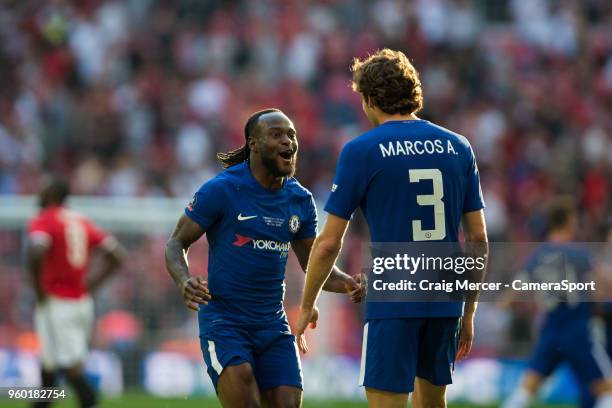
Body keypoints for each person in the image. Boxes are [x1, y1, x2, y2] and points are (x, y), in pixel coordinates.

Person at [294, 49, 488, 408]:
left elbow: (327, 243)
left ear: (369, 100)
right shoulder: (459, 147)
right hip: (445, 297)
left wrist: (307, 304)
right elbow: (477, 239)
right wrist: (470, 310)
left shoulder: (361, 150)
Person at [164, 108, 361, 408]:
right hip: (225, 321)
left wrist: (348, 283)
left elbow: (314, 265)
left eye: (291, 135)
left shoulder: (301, 201)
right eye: (277, 134)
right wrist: (183, 280)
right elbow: (176, 243)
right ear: (253, 144)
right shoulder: (222, 190)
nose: (289, 142)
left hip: (273, 324)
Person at [502, 198, 612, 408]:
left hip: (551, 328)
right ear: (570, 221)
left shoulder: (539, 255)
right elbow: (601, 282)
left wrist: (506, 303)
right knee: (606, 388)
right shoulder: (579, 253)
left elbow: (514, 292)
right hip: (577, 327)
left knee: (528, 387)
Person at [27, 175, 125, 408]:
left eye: (42, 190)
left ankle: (91, 403)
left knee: (70, 366)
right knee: (50, 363)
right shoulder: (81, 220)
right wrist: (91, 285)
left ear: (51, 195)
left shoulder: (45, 220)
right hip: (80, 301)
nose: (38, 194)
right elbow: (117, 254)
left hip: (57, 302)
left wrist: (38, 289)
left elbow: (36, 251)